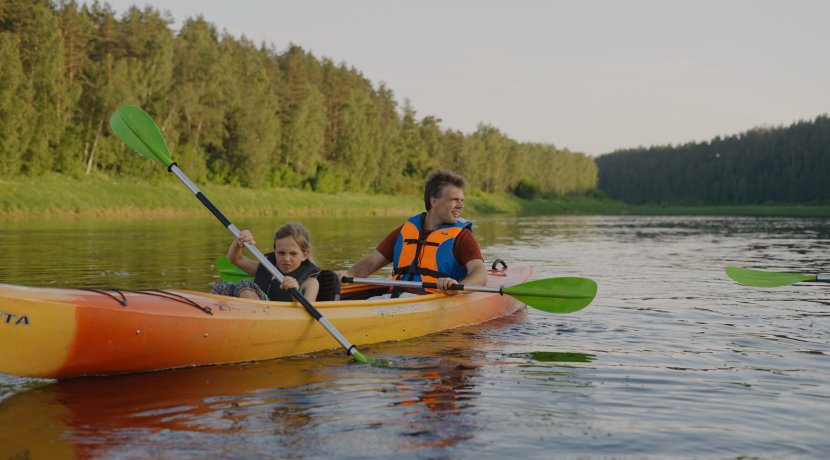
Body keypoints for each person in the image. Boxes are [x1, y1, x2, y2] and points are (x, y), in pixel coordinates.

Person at [337, 169, 487, 296]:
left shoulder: (462, 236)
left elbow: (480, 273)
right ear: (434, 202)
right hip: (394, 298)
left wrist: (456, 287)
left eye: (462, 200)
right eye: (454, 200)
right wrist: (349, 275)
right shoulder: (405, 231)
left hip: (433, 300)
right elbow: (370, 263)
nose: (460, 206)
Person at [212, 223, 320, 302]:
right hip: (253, 310)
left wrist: (296, 292)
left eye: (293, 254)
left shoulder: (311, 282)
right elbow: (235, 259)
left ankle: (254, 320)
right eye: (281, 253)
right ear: (275, 251)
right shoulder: (268, 268)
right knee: (224, 286)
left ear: (304, 255)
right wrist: (239, 240)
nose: (286, 258)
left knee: (244, 284)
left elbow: (307, 312)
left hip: (277, 316)